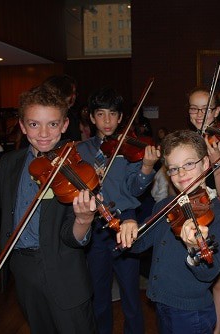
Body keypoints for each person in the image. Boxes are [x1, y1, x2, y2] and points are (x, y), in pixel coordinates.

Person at [0, 84, 98, 333]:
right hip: (23, 271)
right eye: (34, 124)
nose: (44, 133)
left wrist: (84, 221)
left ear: (65, 125)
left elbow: (72, 237)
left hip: (64, 272)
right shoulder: (9, 164)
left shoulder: (76, 169)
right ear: (23, 126)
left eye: (53, 124)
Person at [118, 130, 220, 334]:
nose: (181, 174)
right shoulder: (165, 206)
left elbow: (209, 273)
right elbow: (138, 245)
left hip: (191, 313)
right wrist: (126, 225)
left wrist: (193, 249)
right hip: (161, 304)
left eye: (189, 164)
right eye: (173, 169)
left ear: (205, 163)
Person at [76, 86, 160, 334]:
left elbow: (135, 190)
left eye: (113, 114)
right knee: (98, 291)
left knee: (130, 292)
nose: (107, 120)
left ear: (122, 117)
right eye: (100, 114)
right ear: (91, 118)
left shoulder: (130, 149)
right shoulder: (81, 151)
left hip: (126, 223)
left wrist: (145, 167)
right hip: (95, 225)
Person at [187, 86, 220, 333]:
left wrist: (216, 162)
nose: (200, 114)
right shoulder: (185, 143)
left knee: (218, 279)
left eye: (206, 109)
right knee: (192, 276)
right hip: (190, 214)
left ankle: (217, 329)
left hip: (217, 215)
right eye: (194, 108)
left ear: (217, 111)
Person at [43, 74, 82, 141]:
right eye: (71, 93)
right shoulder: (41, 114)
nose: (74, 96)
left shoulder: (72, 115)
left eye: (74, 93)